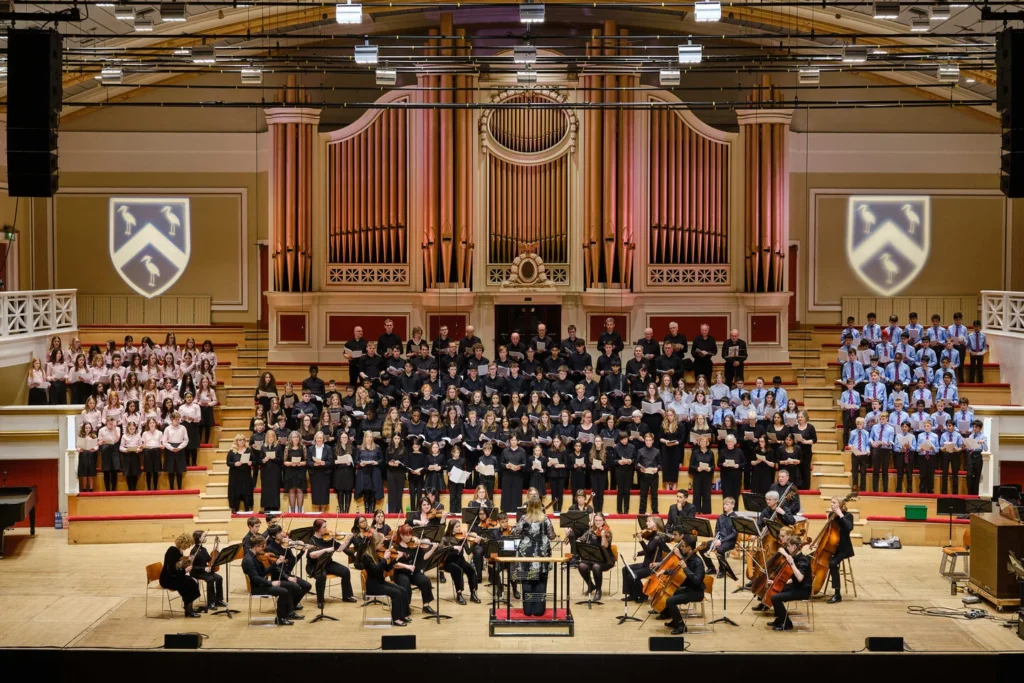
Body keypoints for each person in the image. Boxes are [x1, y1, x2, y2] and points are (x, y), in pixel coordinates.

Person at [241, 535, 299, 625]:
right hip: (257, 587)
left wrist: (276, 563)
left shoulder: (255, 556)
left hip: (262, 583)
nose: (263, 549)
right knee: (284, 591)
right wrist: (271, 583)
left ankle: (287, 612)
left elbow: (263, 572)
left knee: (293, 586)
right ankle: (280, 618)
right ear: (256, 547)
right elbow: (256, 579)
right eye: (262, 546)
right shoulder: (248, 560)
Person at [514, 496, 558, 616]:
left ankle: (528, 610)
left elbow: (516, 532)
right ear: (540, 506)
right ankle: (539, 610)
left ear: (528, 506)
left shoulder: (523, 518)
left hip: (526, 553)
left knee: (526, 581)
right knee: (541, 581)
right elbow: (552, 536)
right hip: (542, 553)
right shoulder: (546, 519)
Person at [656, 533, 706, 635]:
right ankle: (675, 619)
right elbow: (678, 572)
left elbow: (696, 581)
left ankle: (681, 625)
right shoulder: (687, 557)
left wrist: (685, 567)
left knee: (670, 601)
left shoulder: (698, 562)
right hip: (688, 588)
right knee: (668, 593)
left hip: (696, 592)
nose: (681, 548)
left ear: (689, 548)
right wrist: (664, 571)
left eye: (683, 546)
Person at [304, 518, 359, 609]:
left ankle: (347, 596)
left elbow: (339, 549)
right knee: (321, 576)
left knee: (345, 571)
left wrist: (347, 540)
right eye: (324, 527)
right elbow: (312, 555)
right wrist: (326, 550)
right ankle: (320, 601)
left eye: (326, 527)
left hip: (328, 563)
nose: (326, 529)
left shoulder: (328, 539)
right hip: (315, 566)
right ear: (317, 529)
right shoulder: (312, 540)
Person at [810, 496, 855, 604]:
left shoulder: (848, 516)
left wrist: (840, 514)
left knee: (833, 563)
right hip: (830, 547)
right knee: (809, 557)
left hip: (842, 549)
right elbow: (828, 531)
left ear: (840, 504)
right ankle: (807, 586)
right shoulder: (831, 515)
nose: (831, 504)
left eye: (834, 502)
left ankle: (837, 594)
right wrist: (819, 542)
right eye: (831, 502)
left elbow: (849, 528)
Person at [363, 532, 411, 626]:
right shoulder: (366, 556)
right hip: (373, 586)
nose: (383, 545)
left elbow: (387, 568)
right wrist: (384, 559)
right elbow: (376, 570)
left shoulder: (376, 554)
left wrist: (396, 559)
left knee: (403, 590)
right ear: (375, 544)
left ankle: (403, 615)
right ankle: (395, 618)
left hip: (381, 582)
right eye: (381, 543)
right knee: (396, 593)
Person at [768, 536, 813, 630]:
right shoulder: (795, 558)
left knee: (775, 598)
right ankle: (780, 619)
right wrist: (775, 582)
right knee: (774, 590)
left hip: (803, 590)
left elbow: (800, 578)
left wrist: (791, 563)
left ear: (794, 546)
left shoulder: (803, 559)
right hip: (796, 586)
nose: (787, 548)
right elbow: (793, 579)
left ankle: (787, 624)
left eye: (788, 546)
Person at [622, 515, 669, 602]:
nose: (647, 523)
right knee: (625, 569)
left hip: (652, 566)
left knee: (632, 575)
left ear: (655, 524)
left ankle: (643, 595)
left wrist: (641, 540)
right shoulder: (653, 535)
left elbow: (648, 550)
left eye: (649, 521)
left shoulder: (657, 537)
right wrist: (638, 553)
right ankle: (632, 594)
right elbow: (649, 549)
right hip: (646, 563)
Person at [160, 533, 202, 618]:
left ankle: (188, 607)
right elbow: (172, 570)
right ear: (184, 543)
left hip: (175, 576)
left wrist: (188, 560)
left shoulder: (180, 551)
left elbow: (179, 566)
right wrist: (185, 570)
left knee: (192, 581)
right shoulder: (172, 551)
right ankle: (188, 609)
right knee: (188, 583)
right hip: (167, 578)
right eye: (188, 545)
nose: (189, 547)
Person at [189, 530, 226, 612]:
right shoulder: (194, 550)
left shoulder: (203, 549)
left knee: (219, 578)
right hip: (196, 572)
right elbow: (192, 566)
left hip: (204, 571)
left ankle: (218, 600)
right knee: (211, 579)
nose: (205, 538)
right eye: (204, 536)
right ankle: (211, 603)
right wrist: (204, 568)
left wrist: (215, 552)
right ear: (199, 538)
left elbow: (209, 560)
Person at [227, 433, 255, 513]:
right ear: (236, 441)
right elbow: (228, 462)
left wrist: (251, 462)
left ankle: (247, 509)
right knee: (236, 492)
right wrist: (235, 464)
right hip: (235, 475)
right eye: (240, 440)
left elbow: (254, 461)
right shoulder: (232, 451)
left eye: (243, 440)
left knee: (246, 491)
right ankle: (235, 508)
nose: (242, 441)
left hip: (245, 475)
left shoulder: (249, 450)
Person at [688, 434, 715, 514]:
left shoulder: (711, 453)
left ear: (707, 443)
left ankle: (706, 512)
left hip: (707, 476)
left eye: (704, 441)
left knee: (707, 494)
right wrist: (697, 468)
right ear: (699, 443)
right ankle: (696, 511)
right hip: (697, 475)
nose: (703, 443)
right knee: (696, 494)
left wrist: (710, 468)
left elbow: (713, 465)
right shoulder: (695, 452)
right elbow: (691, 466)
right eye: (701, 441)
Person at [712, 496, 738, 578]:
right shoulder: (720, 517)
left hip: (730, 541)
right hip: (719, 540)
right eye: (724, 504)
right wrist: (716, 539)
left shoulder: (735, 518)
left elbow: (734, 534)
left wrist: (721, 541)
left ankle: (722, 569)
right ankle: (710, 567)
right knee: (703, 547)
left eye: (727, 504)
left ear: (732, 505)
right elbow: (717, 530)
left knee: (719, 550)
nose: (724, 506)